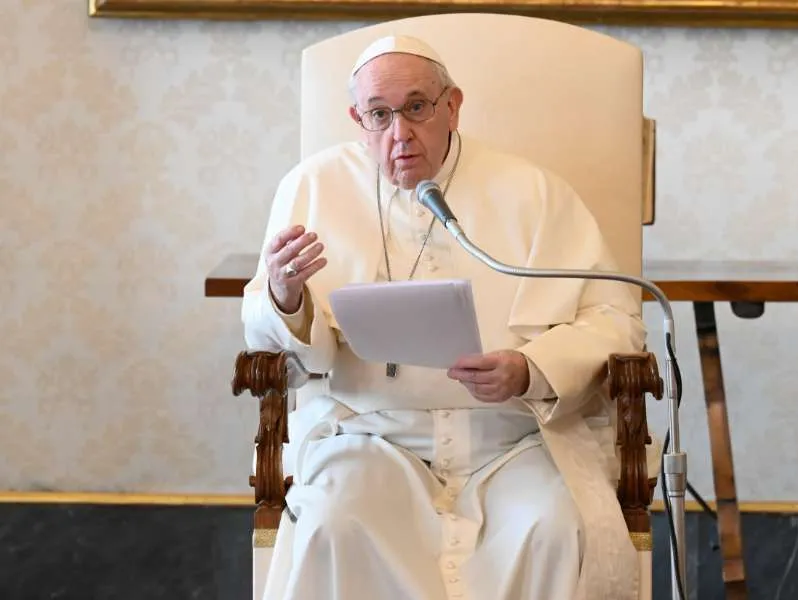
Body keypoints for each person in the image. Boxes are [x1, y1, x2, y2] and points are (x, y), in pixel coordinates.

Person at [241, 34, 648, 600]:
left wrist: (531, 368)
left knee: (556, 527)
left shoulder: (532, 191)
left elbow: (615, 317)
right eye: (379, 115)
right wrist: (285, 296)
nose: (399, 133)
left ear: (452, 105)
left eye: (416, 107)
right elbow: (273, 336)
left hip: (511, 439)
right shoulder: (312, 188)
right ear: (357, 118)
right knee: (334, 520)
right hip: (369, 435)